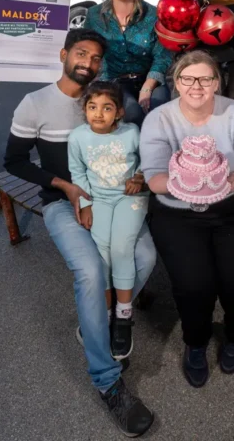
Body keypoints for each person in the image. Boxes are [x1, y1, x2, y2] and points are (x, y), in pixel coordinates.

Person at [3, 29, 155, 437]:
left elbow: (138, 149)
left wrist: (141, 173)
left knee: (144, 258)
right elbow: (14, 162)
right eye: (81, 53)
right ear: (64, 54)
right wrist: (65, 187)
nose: (88, 61)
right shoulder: (34, 103)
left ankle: (98, 322)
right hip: (61, 203)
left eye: (95, 56)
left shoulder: (109, 101)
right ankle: (108, 382)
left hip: (115, 200)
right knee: (90, 270)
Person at [139, 50, 234, 388]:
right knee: (194, 285)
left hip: (233, 208)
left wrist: (228, 183)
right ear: (176, 82)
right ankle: (196, 342)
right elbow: (153, 176)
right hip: (177, 212)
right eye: (188, 78)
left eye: (206, 78)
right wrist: (189, 187)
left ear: (217, 81)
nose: (197, 85)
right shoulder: (159, 118)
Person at [67, 81, 149, 361]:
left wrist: (139, 176)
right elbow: (77, 173)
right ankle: (104, 316)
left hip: (129, 198)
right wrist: (85, 204)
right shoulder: (77, 137)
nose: (98, 114)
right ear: (84, 110)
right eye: (92, 107)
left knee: (122, 248)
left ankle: (124, 316)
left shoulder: (132, 132)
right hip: (98, 199)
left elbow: (146, 160)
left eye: (106, 108)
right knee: (101, 252)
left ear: (119, 113)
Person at [86, 0, 173, 126]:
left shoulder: (154, 15)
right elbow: (87, 51)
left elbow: (162, 55)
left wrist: (148, 87)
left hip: (150, 78)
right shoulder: (93, 16)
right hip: (113, 82)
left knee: (158, 110)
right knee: (131, 112)